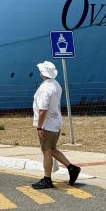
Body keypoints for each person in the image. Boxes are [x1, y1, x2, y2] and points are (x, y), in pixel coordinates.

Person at [31, 61, 81, 189]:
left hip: (47, 124)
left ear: (42, 73)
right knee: (51, 149)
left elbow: (42, 110)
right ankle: (72, 168)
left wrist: (39, 127)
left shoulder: (45, 88)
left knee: (46, 151)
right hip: (55, 121)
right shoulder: (56, 84)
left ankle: (47, 179)